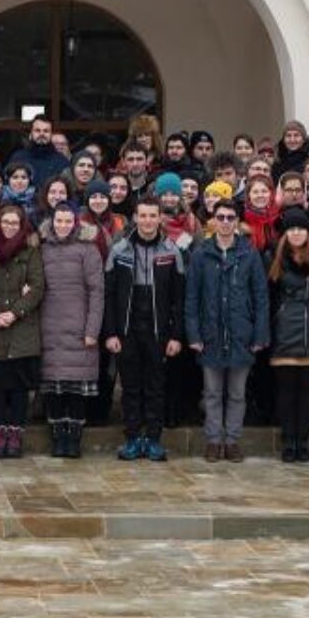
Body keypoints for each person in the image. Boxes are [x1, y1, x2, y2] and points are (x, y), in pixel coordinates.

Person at [185, 199, 270, 461]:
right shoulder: (201, 254)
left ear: (237, 222)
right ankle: (213, 440)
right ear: (213, 220)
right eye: (220, 217)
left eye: (230, 217)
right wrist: (194, 334)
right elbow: (192, 297)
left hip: (241, 333)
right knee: (211, 392)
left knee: (237, 393)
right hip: (210, 333)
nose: (224, 222)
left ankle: (232, 440)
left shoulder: (249, 253)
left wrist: (259, 334)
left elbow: (261, 297)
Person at [104, 198, 185, 461]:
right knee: (130, 387)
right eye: (143, 215)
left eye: (152, 216)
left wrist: (176, 335)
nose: (148, 221)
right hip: (127, 328)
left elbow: (179, 299)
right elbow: (109, 295)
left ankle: (153, 439)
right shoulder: (119, 250)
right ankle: (131, 438)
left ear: (160, 218)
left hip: (158, 329)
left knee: (155, 387)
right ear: (135, 218)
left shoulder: (171, 251)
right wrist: (111, 332)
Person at [0, 203, 44, 459]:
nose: (10, 227)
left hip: (22, 327)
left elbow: (37, 286)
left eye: (15, 223)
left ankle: (15, 434)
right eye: (6, 222)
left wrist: (14, 312)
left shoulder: (31, 251)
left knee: (18, 386)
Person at [37, 203, 104, 459]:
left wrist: (92, 329)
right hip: (49, 327)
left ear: (75, 223)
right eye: (59, 221)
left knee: (76, 387)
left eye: (68, 221)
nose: (63, 226)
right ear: (52, 222)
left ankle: (74, 437)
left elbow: (97, 292)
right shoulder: (43, 249)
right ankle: (57, 437)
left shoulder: (88, 249)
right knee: (54, 387)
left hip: (80, 328)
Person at [266, 207, 309, 463]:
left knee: (306, 394)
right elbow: (268, 298)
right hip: (284, 330)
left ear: (308, 232)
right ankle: (288, 441)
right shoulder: (274, 257)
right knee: (286, 393)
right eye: (292, 229)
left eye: (301, 229)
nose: (296, 233)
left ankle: (303, 441)